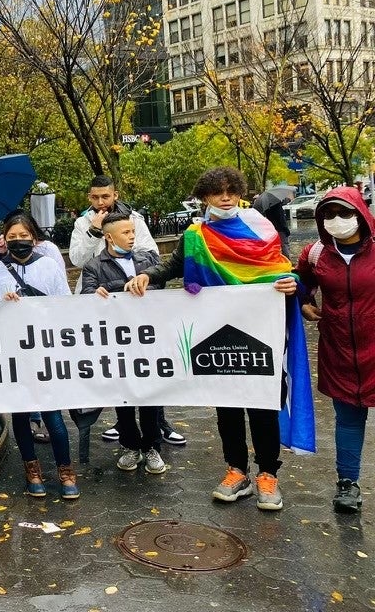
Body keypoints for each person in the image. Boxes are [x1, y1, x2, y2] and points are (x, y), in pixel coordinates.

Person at [125, 166, 301, 511]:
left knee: (263, 405)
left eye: (231, 191)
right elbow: (171, 267)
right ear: (204, 196)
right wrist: (146, 275)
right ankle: (236, 471)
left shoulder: (261, 228)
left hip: (260, 331)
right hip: (217, 335)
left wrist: (292, 284)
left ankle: (268, 474)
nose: (225, 197)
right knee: (228, 407)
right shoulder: (194, 236)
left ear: (239, 193)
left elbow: (283, 270)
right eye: (217, 192)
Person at [67, 175, 186, 446]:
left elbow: (151, 255)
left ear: (115, 195)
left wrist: (123, 247)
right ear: (89, 198)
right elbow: (77, 260)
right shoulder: (82, 223)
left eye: (105, 197)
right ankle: (124, 424)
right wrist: (95, 233)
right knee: (117, 365)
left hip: (137, 303)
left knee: (149, 365)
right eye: (95, 198)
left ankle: (159, 423)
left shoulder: (135, 219)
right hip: (104, 304)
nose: (100, 203)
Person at [0, 212, 79, 499]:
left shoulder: (48, 266)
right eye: (12, 238)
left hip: (44, 351)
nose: (18, 242)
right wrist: (2, 304)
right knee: (21, 415)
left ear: (34, 239)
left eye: (23, 237)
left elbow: (65, 305)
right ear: (4, 241)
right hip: (13, 354)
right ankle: (31, 469)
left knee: (53, 416)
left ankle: (65, 471)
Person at [295, 187, 375, 513]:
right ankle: (347, 484)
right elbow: (300, 281)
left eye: (344, 213)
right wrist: (303, 302)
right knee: (348, 419)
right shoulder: (315, 254)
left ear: (360, 214)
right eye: (329, 215)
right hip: (339, 349)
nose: (337, 221)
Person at [79, 213, 166, 474]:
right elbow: (85, 297)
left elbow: (162, 285)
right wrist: (104, 292)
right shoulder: (94, 266)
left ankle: (152, 446)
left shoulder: (147, 258)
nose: (131, 236)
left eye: (132, 232)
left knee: (151, 396)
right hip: (116, 343)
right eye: (126, 232)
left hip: (148, 339)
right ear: (109, 237)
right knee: (124, 397)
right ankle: (130, 445)